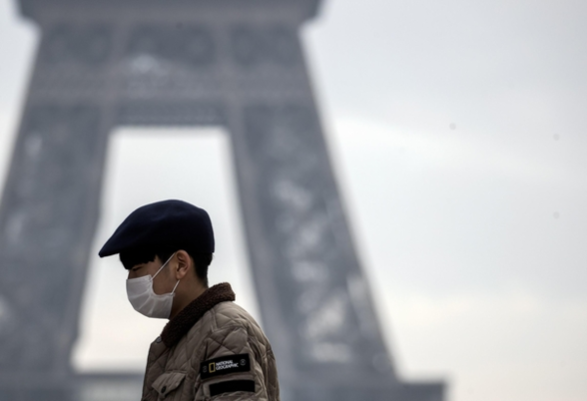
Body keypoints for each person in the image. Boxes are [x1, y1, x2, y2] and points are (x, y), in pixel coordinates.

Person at [98, 199, 280, 401]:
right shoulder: (188, 336)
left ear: (180, 265)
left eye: (136, 269)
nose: (130, 280)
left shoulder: (224, 332)